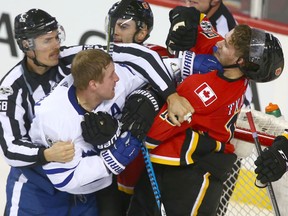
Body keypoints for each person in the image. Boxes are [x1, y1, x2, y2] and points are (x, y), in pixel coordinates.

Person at [1, 8, 193, 216]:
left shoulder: (72, 57)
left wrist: (171, 96)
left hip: (84, 190)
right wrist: (45, 154)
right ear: (26, 46)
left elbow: (139, 56)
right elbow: (10, 148)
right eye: (47, 41)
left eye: (57, 37)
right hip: (37, 192)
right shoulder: (12, 88)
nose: (56, 45)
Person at [126, 10, 284, 214]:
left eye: (226, 44)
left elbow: (150, 136)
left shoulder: (204, 91)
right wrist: (188, 17)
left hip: (192, 176)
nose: (219, 44)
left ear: (241, 62)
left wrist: (149, 102)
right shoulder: (231, 67)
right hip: (175, 166)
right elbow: (203, 27)